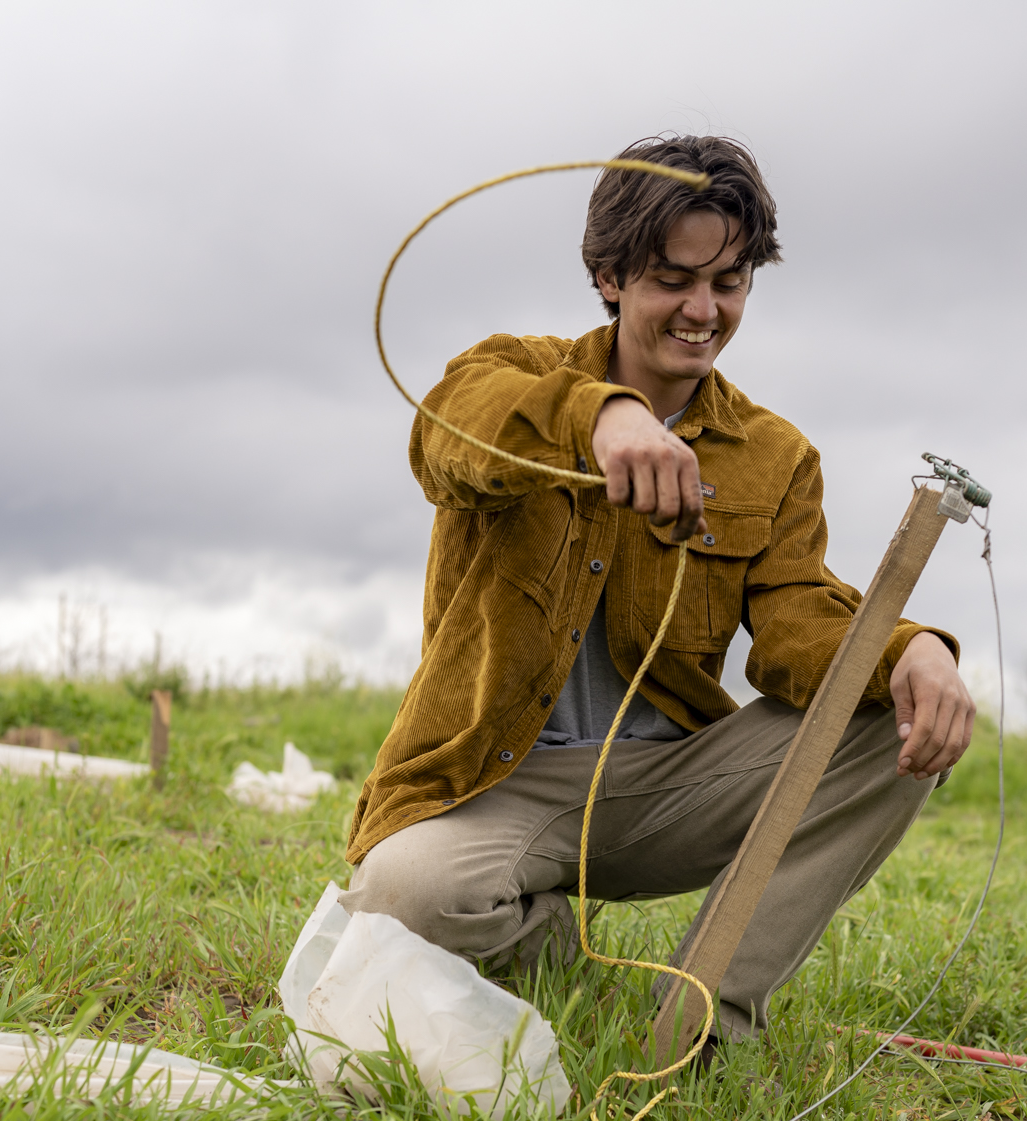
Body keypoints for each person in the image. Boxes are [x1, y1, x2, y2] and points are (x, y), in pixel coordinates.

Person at [343, 134, 975, 1048]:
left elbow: (798, 625)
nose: (702, 310)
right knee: (401, 900)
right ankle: (545, 949)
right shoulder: (506, 371)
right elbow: (447, 442)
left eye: (729, 283)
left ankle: (699, 1026)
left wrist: (906, 647)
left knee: (888, 717)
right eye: (672, 280)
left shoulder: (776, 453)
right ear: (608, 275)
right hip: (494, 776)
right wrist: (602, 417)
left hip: (665, 787)